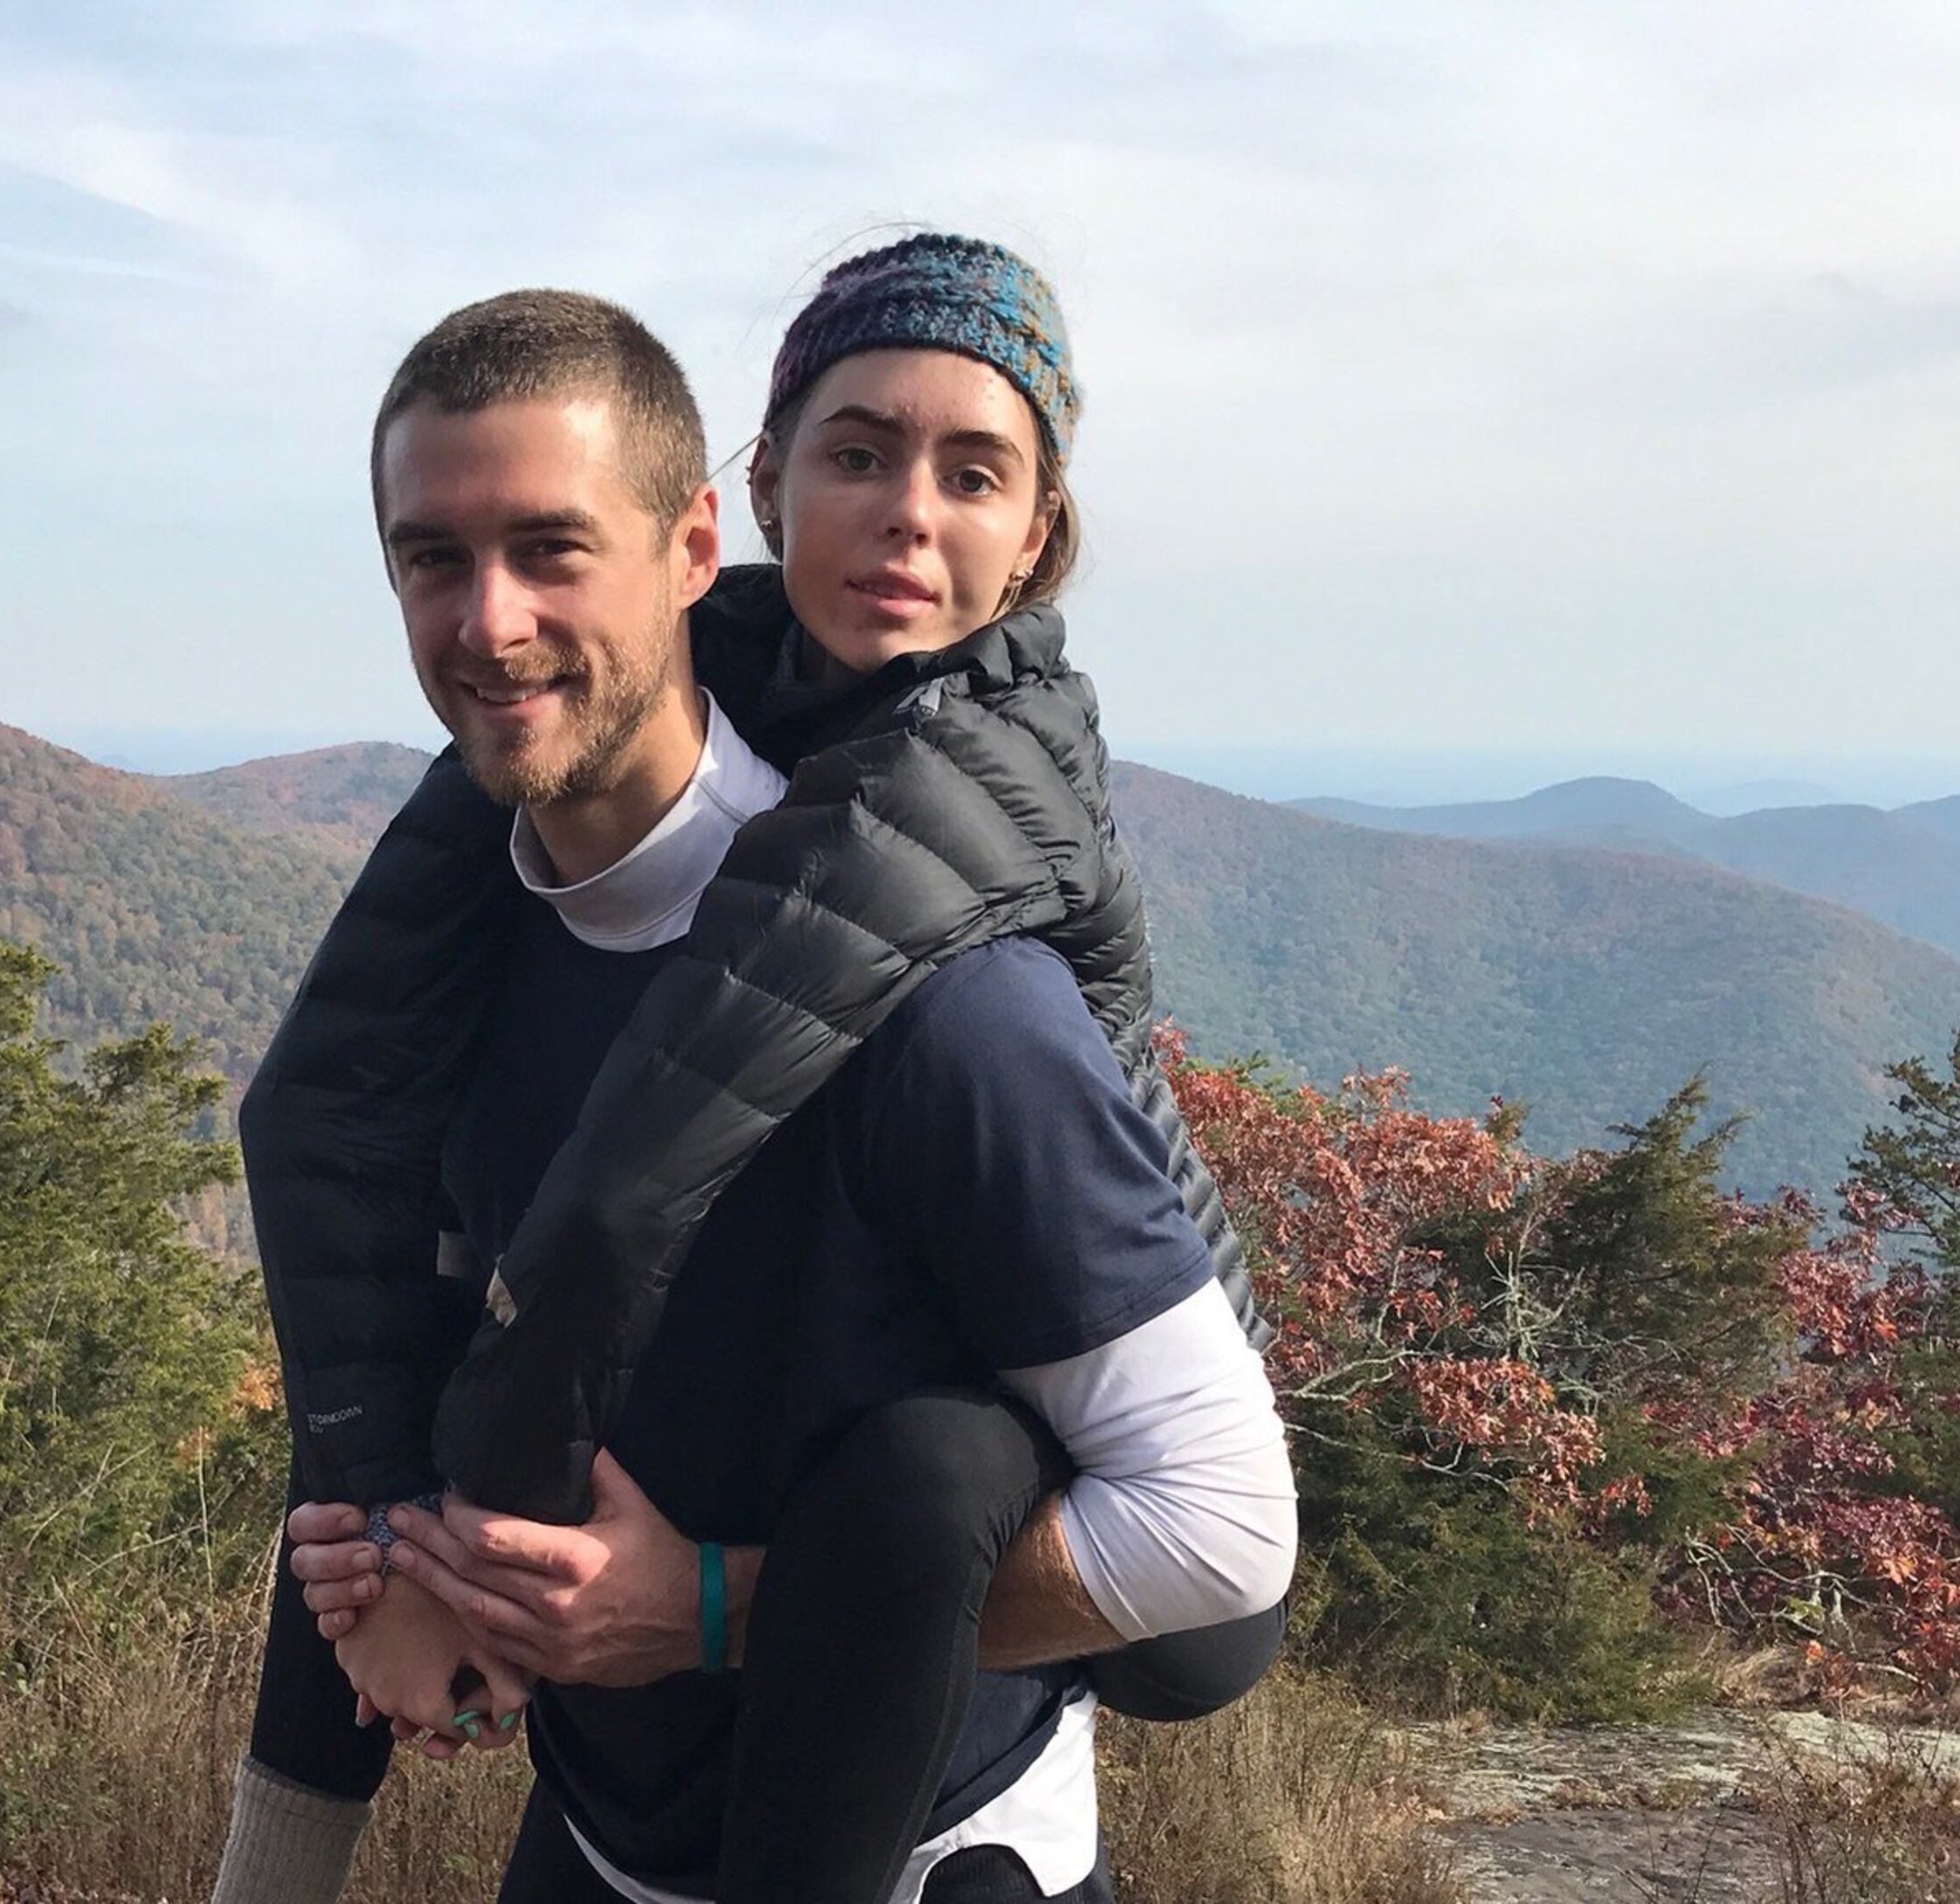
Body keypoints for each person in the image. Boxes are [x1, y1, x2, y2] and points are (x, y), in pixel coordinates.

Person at [219, 245, 1295, 1904]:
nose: (489, 622)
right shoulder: (465, 947)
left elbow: (1225, 1527)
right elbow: (377, 1341)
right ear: (775, 498)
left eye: (552, 550)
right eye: (434, 559)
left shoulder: (951, 1001)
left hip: (932, 1853)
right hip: (597, 1833)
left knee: (931, 1466)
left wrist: (716, 1607)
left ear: (693, 547)